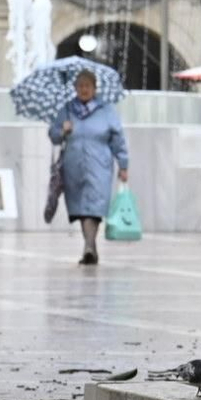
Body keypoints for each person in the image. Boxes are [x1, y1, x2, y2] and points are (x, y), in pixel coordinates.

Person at [49, 70, 129, 265]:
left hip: (99, 165)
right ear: (75, 88)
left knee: (94, 207)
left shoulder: (106, 111)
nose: (84, 90)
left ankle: (89, 246)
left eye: (87, 86)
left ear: (94, 88)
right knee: (80, 208)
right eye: (80, 86)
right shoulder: (67, 110)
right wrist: (62, 129)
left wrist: (123, 164)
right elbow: (53, 135)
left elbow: (118, 138)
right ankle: (90, 246)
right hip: (74, 166)